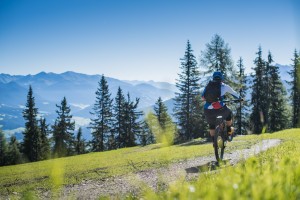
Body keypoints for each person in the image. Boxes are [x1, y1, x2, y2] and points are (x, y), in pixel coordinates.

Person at [202, 71, 241, 144]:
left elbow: (203, 97)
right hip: (220, 109)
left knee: (211, 125)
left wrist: (210, 100)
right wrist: (240, 98)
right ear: (222, 79)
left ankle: (214, 142)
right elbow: (235, 94)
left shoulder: (208, 86)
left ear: (213, 78)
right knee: (229, 113)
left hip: (208, 110)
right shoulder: (225, 86)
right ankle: (229, 132)